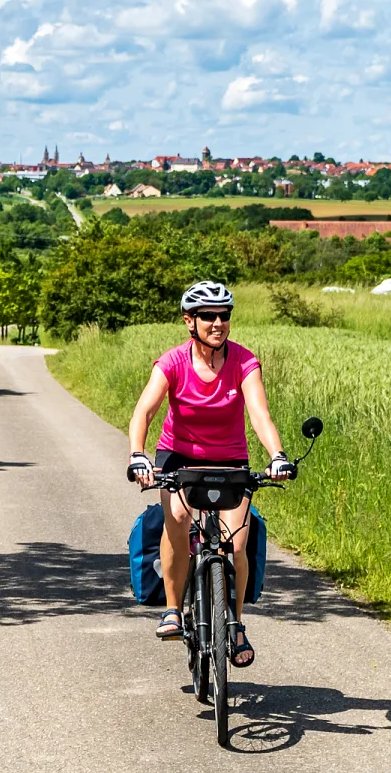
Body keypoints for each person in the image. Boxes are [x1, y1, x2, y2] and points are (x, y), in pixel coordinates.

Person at [126, 281, 294, 669]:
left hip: (230, 459)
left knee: (236, 542)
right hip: (178, 457)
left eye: (225, 316)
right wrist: (138, 455)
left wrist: (277, 455)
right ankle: (172, 609)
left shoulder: (244, 361)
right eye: (208, 316)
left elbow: (259, 414)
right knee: (179, 521)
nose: (218, 323)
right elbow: (144, 412)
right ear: (190, 321)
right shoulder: (172, 362)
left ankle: (234, 625)